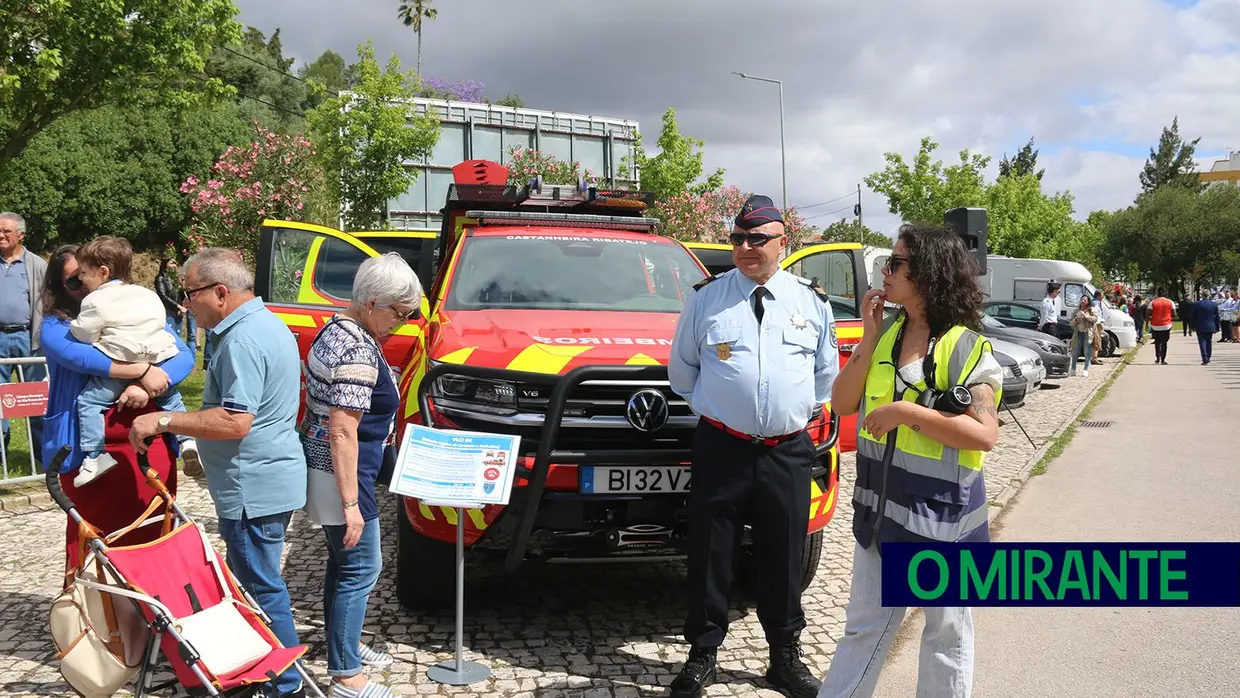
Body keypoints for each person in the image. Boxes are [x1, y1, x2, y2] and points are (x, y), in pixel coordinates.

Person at [817, 223, 1002, 698]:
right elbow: (841, 404)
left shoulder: (966, 345)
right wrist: (868, 336)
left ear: (929, 272)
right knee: (863, 631)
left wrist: (907, 413)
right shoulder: (886, 334)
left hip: (945, 523)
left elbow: (983, 434)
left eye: (896, 263)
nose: (886, 271)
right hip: (880, 520)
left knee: (946, 635)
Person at [668, 194, 840, 698]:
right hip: (723, 445)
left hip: (787, 450)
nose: (745, 248)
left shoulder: (811, 302)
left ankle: (784, 658)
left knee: (785, 554)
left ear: (783, 243)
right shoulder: (706, 298)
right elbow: (682, 373)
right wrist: (726, 408)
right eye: (738, 238)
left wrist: (787, 412)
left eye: (757, 239)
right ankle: (702, 655)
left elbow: (824, 377)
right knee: (710, 552)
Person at [129, 248, 308, 698]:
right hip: (266, 480)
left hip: (253, 487)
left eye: (190, 295)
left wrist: (164, 421)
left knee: (261, 590)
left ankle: (284, 686)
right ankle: (261, 676)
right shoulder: (264, 325)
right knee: (254, 584)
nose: (186, 305)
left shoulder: (244, 339)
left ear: (221, 292)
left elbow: (234, 420)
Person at [300, 254, 421, 698]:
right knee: (362, 568)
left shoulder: (337, 328)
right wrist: (351, 505)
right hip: (343, 474)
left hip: (327, 468)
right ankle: (347, 676)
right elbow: (343, 430)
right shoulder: (356, 349)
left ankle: (344, 645)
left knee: (343, 564)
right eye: (399, 314)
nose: (402, 324)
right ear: (371, 303)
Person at [38, 245, 194, 572]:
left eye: (84, 276)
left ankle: (152, 612)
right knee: (92, 538)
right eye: (73, 281)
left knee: (151, 531)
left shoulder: (133, 312)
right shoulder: (55, 325)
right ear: (57, 286)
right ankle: (95, 617)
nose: (82, 286)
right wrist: (141, 370)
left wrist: (148, 382)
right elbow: (80, 357)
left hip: (144, 445)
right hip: (86, 449)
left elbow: (182, 355)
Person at [68, 236, 198, 486]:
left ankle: (95, 455)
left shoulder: (95, 300)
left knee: (89, 402)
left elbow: (83, 334)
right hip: (158, 362)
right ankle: (187, 441)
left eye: (84, 273)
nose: (81, 279)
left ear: (103, 272)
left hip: (119, 367)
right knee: (172, 399)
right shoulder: (147, 295)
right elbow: (161, 325)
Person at [0, 212, 47, 460]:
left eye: (6, 231)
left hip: (29, 338)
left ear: (20, 235)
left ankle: (42, 454)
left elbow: (49, 302)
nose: (0, 235)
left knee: (36, 398)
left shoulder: (37, 265)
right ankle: (0, 454)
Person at [1069, 295, 1098, 377]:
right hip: (1078, 333)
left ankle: (1086, 369)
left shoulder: (1092, 310)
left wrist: (1086, 317)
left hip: (1087, 333)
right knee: (1075, 352)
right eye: (1082, 299)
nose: (1083, 301)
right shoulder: (1077, 310)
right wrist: (1076, 320)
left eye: (1085, 300)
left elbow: (1095, 319)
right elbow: (1071, 323)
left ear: (1088, 301)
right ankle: (1073, 369)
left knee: (1087, 352)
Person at [1190, 292, 1220, 365]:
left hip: (1200, 325)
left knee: (1202, 342)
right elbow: (1217, 316)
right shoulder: (1214, 304)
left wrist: (1192, 326)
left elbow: (1192, 316)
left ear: (1202, 295)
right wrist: (1217, 327)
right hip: (1210, 325)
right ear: (1209, 295)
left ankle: (1205, 358)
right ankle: (1208, 356)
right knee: (1209, 341)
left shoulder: (1197, 304)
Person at [1148, 288, 1175, 365]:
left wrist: (1147, 323)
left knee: (1157, 342)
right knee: (1164, 342)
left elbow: (1148, 313)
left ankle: (1157, 358)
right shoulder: (1170, 302)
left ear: (1157, 293)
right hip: (1166, 325)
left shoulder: (1153, 302)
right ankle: (1163, 359)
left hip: (1155, 325)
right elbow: (1174, 313)